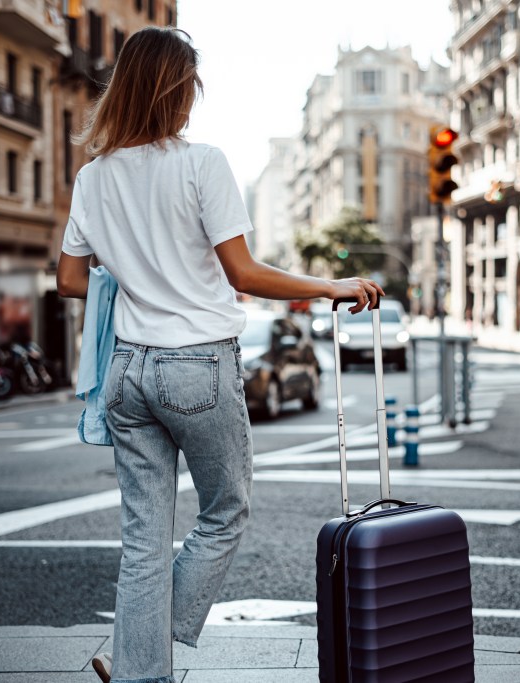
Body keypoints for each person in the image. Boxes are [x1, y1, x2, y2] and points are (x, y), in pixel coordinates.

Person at [54, 27, 383, 683]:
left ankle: (136, 665)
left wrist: (137, 267)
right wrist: (329, 285)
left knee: (144, 534)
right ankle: (130, 653)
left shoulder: (93, 176)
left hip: (127, 373)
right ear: (179, 90)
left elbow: (69, 279)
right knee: (224, 510)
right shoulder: (201, 162)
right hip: (195, 365)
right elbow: (242, 272)